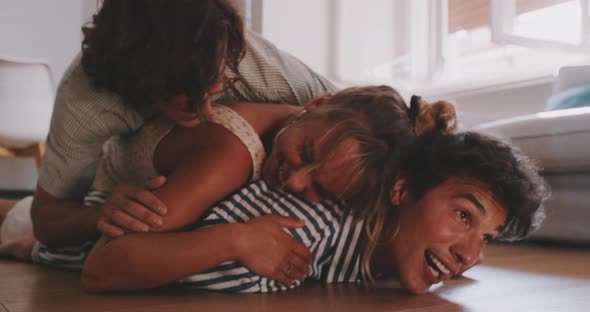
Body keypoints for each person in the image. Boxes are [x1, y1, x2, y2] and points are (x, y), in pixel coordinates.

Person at [80, 129, 548, 294]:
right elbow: (103, 269)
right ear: (401, 190)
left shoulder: (395, 249)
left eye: (487, 237)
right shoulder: (304, 228)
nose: (471, 252)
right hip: (79, 232)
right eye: (465, 216)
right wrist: (233, 240)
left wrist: (453, 249)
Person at [30, 0, 337, 250]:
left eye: (217, 83)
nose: (206, 108)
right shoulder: (86, 101)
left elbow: (358, 114)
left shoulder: (247, 58)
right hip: (114, 175)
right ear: (135, 79)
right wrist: (100, 214)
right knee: (26, 227)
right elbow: (45, 218)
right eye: (185, 100)